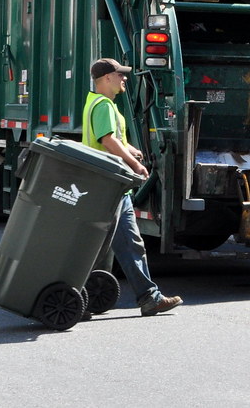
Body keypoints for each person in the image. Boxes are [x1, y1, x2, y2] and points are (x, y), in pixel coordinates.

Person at [82, 57, 182, 317]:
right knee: (126, 243)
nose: (124, 78)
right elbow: (106, 140)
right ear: (106, 79)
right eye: (120, 75)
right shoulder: (104, 105)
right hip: (110, 184)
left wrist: (130, 148)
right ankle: (149, 298)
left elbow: (112, 138)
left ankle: (88, 296)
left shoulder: (97, 102)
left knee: (108, 246)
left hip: (108, 184)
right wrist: (133, 163)